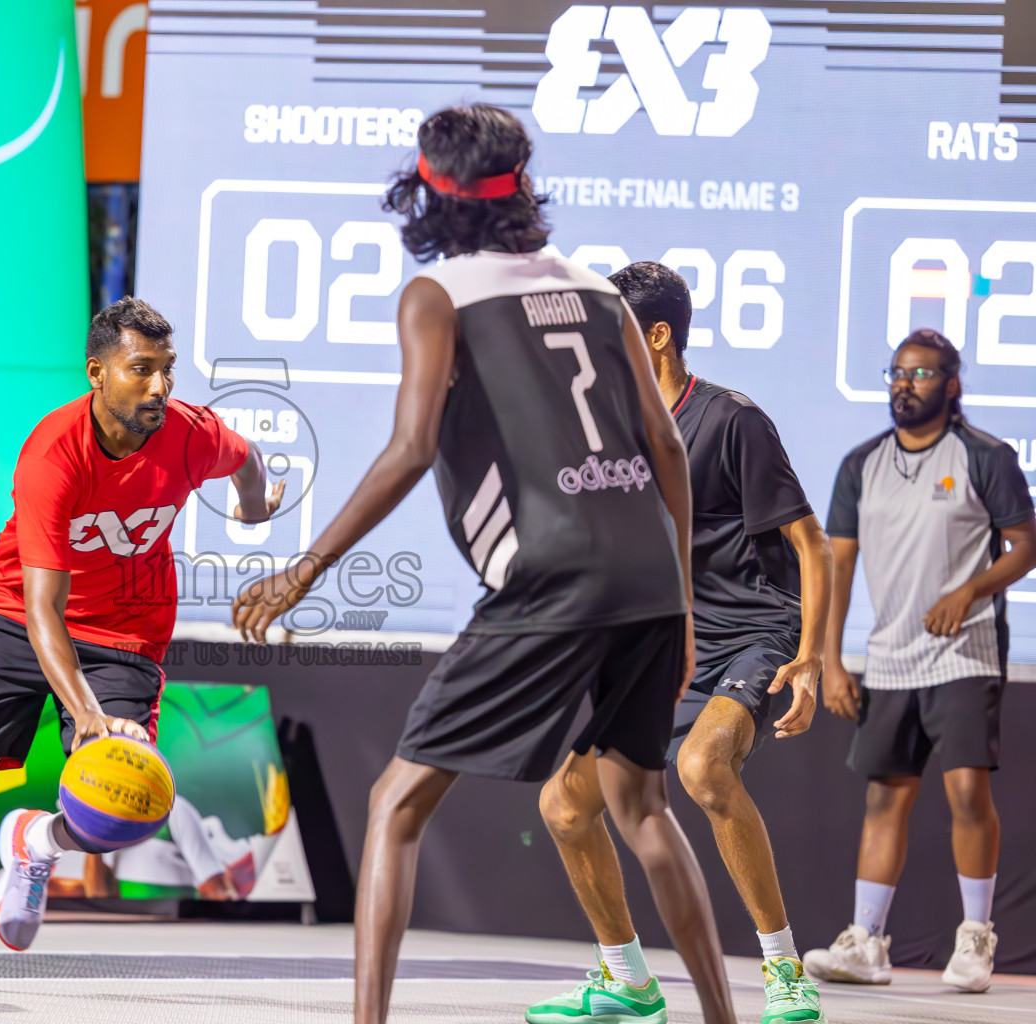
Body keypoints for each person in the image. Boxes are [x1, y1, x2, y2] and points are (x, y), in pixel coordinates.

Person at [233, 105, 735, 1024]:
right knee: (642, 807)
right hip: (649, 579)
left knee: (394, 803)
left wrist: (304, 568)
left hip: (551, 574)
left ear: (430, 191)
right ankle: (722, 1018)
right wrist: (686, 603)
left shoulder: (440, 295)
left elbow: (410, 449)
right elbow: (665, 442)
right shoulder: (601, 291)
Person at [0, 297, 282, 992]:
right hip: (14, 616)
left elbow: (248, 460)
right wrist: (84, 713)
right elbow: (43, 609)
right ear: (97, 372)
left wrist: (256, 506)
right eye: (140, 370)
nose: (159, 387)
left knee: (127, 802)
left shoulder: (189, 435)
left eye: (167, 370)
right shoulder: (54, 453)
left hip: (127, 631)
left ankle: (34, 842)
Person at [603, 262, 831, 1023]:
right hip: (672, 642)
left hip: (756, 634)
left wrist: (813, 658)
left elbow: (812, 545)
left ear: (658, 335)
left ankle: (784, 971)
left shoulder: (733, 419)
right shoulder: (614, 426)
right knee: (564, 804)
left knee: (703, 768)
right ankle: (626, 982)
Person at [803, 329, 1036, 993]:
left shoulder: (983, 456)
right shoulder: (861, 464)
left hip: (964, 654)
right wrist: (831, 659)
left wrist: (969, 591)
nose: (905, 385)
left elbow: (1026, 544)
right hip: (889, 658)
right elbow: (837, 563)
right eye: (897, 374)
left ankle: (975, 940)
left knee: (966, 791)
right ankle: (866, 941)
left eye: (922, 374)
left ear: (952, 385)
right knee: (885, 800)